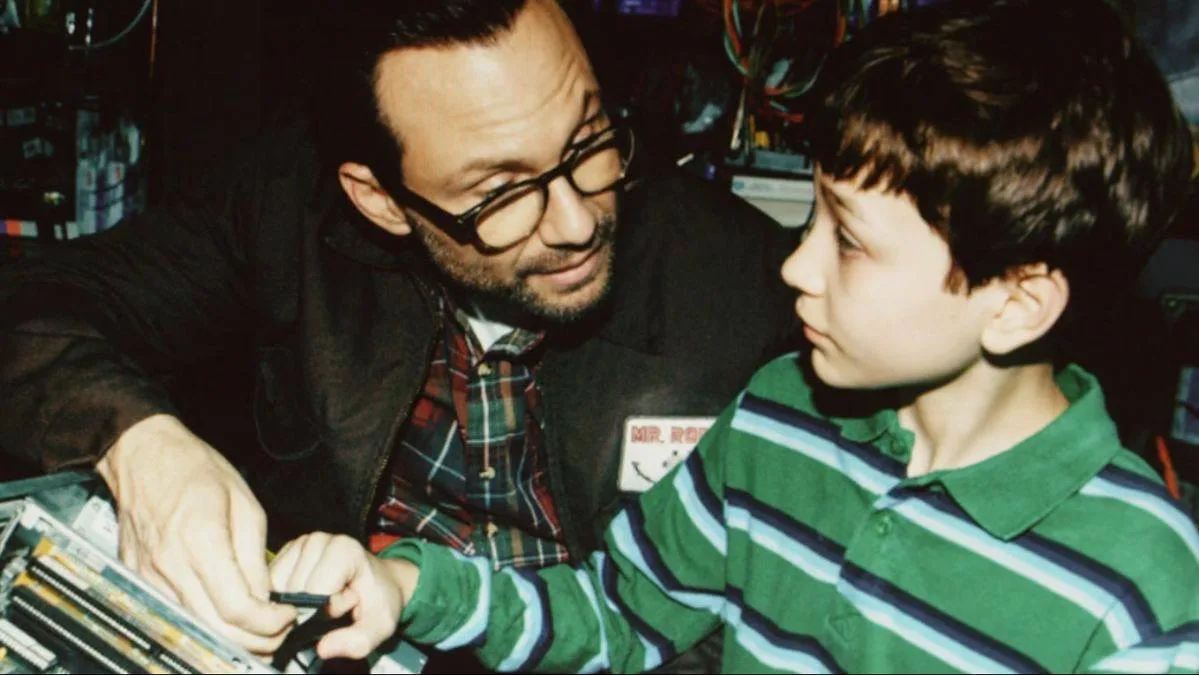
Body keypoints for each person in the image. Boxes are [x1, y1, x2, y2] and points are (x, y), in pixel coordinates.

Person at [266, 0, 1199, 672]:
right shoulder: (775, 418)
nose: (796, 266)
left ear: (1017, 302)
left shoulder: (1139, 585)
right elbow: (618, 617)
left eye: (849, 242)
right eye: (813, 218)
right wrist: (410, 587)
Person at [0, 0, 800, 667]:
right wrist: (142, 449)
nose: (576, 221)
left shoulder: (753, 288)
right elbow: (30, 306)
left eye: (587, 141)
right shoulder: (287, 206)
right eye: (499, 192)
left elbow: (769, 623)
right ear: (379, 200)